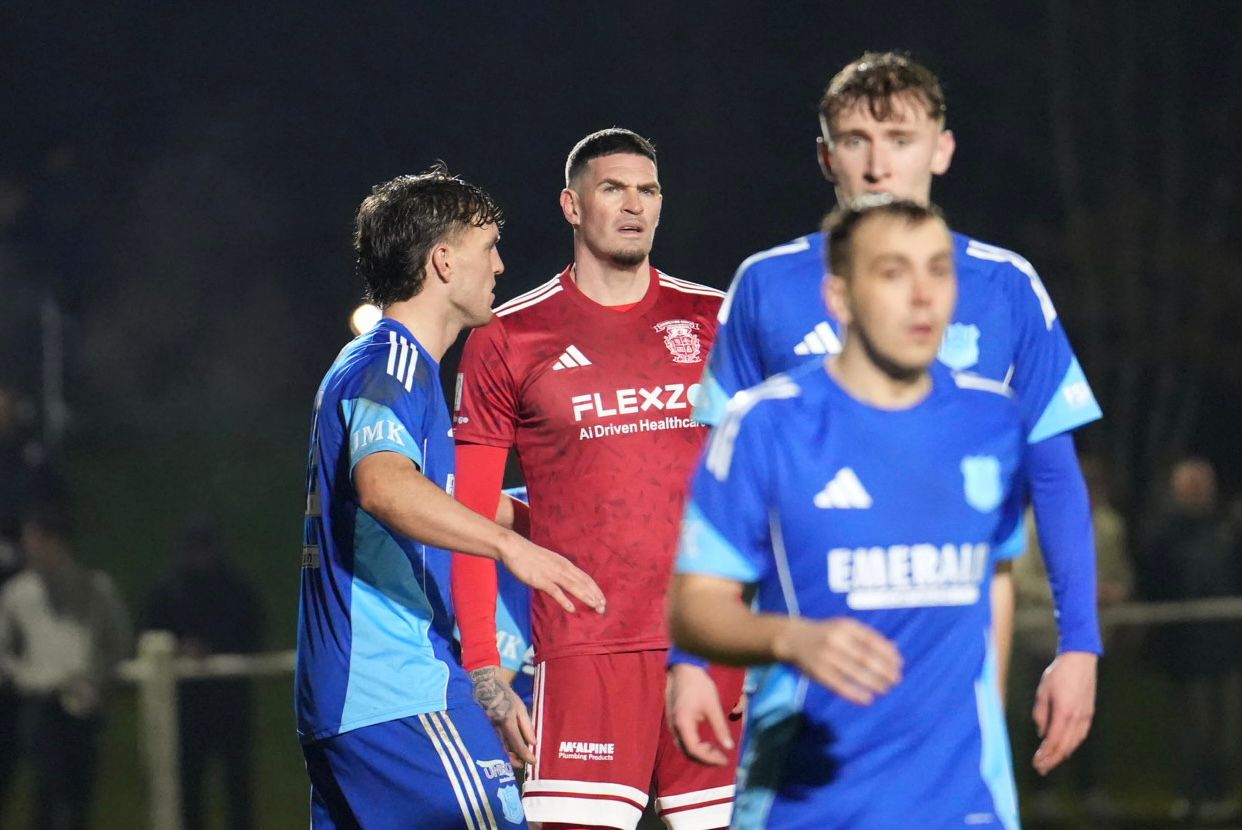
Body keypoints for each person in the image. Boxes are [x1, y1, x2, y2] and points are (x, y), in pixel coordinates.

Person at [670, 51, 1103, 777]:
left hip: (952, 703)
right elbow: (710, 491)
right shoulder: (767, 285)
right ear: (825, 156)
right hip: (802, 696)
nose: (877, 166)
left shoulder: (1004, 287)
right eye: (855, 141)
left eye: (900, 140)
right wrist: (691, 660)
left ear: (942, 149)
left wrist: (1079, 644)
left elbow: (1053, 477)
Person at [669, 198, 1025, 828]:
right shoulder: (767, 424)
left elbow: (994, 578)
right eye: (893, 272)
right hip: (810, 800)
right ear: (839, 297)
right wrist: (790, 638)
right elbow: (694, 607)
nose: (923, 296)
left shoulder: (993, 419)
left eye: (938, 269)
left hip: (964, 804)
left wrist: (985, 736)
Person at [451, 128, 745, 830]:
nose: (634, 204)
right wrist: (485, 669)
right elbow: (469, 515)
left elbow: (760, 489)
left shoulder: (716, 318)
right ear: (572, 205)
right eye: (613, 188)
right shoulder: (506, 336)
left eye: (648, 190)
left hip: (708, 643)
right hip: (585, 654)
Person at [296, 166, 605, 830]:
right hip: (398, 694)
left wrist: (565, 524)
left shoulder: (395, 372)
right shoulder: (389, 364)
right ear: (442, 261)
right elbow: (385, 486)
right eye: (487, 246)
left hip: (357, 702)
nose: (499, 265)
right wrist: (511, 550)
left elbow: (450, 499)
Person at [0, 502, 132, 830]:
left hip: (84, 699)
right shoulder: (18, 594)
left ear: (56, 541)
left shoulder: (96, 587)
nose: (28, 548)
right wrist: (23, 674)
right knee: (48, 786)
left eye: (35, 540)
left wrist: (97, 679)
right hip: (40, 700)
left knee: (79, 793)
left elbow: (118, 643)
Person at [143, 516, 265, 830]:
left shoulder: (236, 589)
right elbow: (149, 632)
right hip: (188, 705)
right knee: (190, 784)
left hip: (230, 703)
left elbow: (253, 634)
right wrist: (179, 648)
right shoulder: (167, 591)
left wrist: (212, 648)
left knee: (237, 783)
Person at [1137, 458, 1241, 822]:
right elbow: (1155, 581)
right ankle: (1192, 798)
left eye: (1203, 484)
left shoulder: (1226, 530)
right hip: (1188, 649)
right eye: (1191, 485)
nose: (1198, 492)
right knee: (1196, 730)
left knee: (1227, 731)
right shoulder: (1163, 533)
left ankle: (1221, 796)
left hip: (1228, 646)